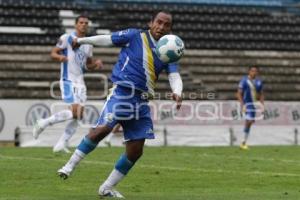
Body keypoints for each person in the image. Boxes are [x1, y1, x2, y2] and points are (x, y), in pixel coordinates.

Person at [57, 10, 183, 198]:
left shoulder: (169, 49)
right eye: (159, 22)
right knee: (103, 129)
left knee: (135, 151)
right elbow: (106, 39)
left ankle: (106, 188)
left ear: (170, 28)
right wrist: (82, 41)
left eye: (166, 24)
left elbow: (174, 75)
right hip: (122, 92)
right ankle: (69, 166)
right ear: (151, 23)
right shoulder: (134, 36)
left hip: (141, 101)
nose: (161, 27)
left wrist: (178, 91)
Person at [32, 15, 103, 153]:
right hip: (68, 79)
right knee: (75, 111)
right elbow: (53, 53)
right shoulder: (66, 38)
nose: (84, 25)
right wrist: (60, 57)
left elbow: (88, 65)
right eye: (81, 22)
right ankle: (43, 123)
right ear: (76, 24)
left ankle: (61, 143)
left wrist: (96, 64)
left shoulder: (88, 44)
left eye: (86, 23)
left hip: (80, 80)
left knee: (79, 115)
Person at [237, 66, 264, 150]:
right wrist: (242, 104)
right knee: (249, 121)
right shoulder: (244, 80)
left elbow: (261, 94)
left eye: (255, 71)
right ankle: (243, 142)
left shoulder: (259, 82)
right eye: (252, 71)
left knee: (250, 122)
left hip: (254, 105)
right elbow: (239, 93)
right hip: (247, 104)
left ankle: (243, 142)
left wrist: (262, 105)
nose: (254, 72)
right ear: (249, 72)